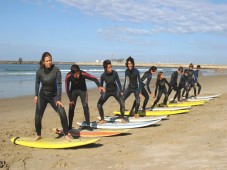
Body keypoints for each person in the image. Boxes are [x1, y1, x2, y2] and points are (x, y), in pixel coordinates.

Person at [34, 52, 71, 141]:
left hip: (53, 96)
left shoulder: (56, 70)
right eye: (47, 61)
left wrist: (58, 99)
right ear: (43, 62)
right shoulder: (39, 71)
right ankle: (38, 134)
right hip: (43, 95)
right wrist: (36, 95)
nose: (49, 62)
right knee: (37, 116)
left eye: (50, 60)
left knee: (62, 112)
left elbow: (59, 84)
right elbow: (37, 83)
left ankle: (66, 134)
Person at [65, 64, 104, 131]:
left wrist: (99, 86)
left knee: (85, 105)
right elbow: (66, 89)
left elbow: (94, 78)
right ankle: (70, 126)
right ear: (72, 73)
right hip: (73, 91)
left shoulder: (83, 74)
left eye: (79, 73)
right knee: (71, 107)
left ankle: (88, 125)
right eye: (76, 74)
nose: (78, 75)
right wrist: (70, 99)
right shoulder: (68, 76)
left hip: (83, 91)